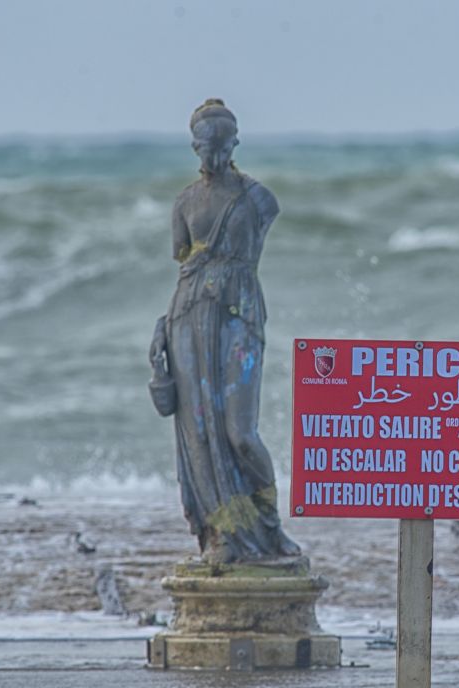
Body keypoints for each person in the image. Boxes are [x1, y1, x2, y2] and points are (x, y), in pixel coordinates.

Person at [158, 98, 300, 563]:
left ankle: (270, 528)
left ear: (235, 144)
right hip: (188, 316)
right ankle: (220, 535)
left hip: (240, 313)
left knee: (240, 431)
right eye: (206, 147)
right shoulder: (184, 202)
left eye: (222, 146)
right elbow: (184, 264)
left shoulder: (258, 199)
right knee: (200, 431)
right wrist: (162, 330)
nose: (214, 156)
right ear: (194, 147)